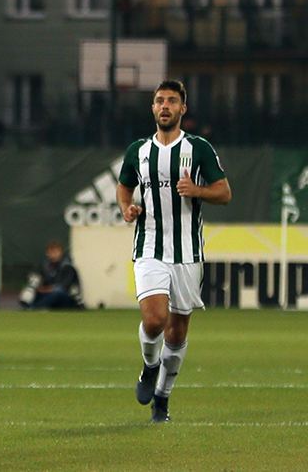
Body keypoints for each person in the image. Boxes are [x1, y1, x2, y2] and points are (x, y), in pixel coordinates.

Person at [116, 79, 231, 423]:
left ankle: (162, 400)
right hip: (149, 247)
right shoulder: (138, 151)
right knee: (154, 320)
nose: (165, 106)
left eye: (171, 101)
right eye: (159, 100)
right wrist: (126, 208)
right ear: (153, 108)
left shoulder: (198, 149)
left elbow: (224, 193)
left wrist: (197, 190)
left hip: (187, 253)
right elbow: (124, 187)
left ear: (183, 109)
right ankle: (150, 366)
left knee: (177, 333)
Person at [19, 241, 84, 310]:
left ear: (61, 253)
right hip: (47, 293)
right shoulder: (44, 265)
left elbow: (64, 285)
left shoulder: (68, 267)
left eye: (55, 252)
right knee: (32, 287)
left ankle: (36, 307)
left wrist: (46, 289)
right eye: (50, 252)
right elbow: (36, 277)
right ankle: (27, 305)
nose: (53, 255)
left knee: (58, 292)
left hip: (65, 297)